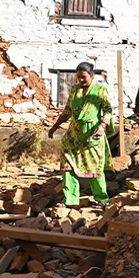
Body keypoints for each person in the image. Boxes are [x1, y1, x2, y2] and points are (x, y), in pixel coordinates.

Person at [48, 62, 113, 208]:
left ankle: (102, 198)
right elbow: (67, 111)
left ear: (92, 75)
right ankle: (70, 199)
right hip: (74, 135)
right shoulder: (75, 90)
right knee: (68, 166)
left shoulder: (100, 90)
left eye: (84, 77)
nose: (81, 80)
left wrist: (103, 126)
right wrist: (54, 127)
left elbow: (108, 110)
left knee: (95, 166)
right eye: (78, 77)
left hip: (92, 135)